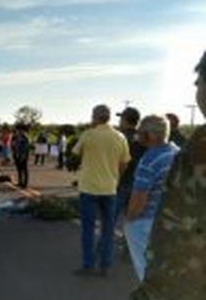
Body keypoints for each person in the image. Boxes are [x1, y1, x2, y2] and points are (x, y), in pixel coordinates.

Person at [100, 50, 206, 300]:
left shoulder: (194, 158)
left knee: (149, 270)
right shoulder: (176, 150)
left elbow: (179, 275)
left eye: (199, 79)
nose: (196, 87)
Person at [72, 104, 130, 276]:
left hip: (89, 188)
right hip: (110, 189)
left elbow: (76, 153)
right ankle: (105, 265)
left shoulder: (88, 135)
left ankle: (88, 264)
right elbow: (125, 163)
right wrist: (115, 176)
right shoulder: (120, 137)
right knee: (108, 228)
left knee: (88, 229)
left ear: (94, 117)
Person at [123, 115, 179, 280]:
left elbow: (139, 199)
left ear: (150, 135)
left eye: (141, 131)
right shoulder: (176, 152)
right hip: (169, 218)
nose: (138, 134)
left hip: (146, 221)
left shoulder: (149, 160)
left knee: (145, 269)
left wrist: (128, 218)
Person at [115, 106, 146, 224]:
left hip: (122, 181)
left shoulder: (120, 137)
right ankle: (128, 241)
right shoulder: (144, 137)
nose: (119, 121)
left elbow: (119, 161)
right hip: (138, 182)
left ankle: (106, 241)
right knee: (132, 218)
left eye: (121, 118)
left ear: (126, 120)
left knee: (111, 217)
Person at [11, 124, 30, 189]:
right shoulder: (17, 136)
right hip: (17, 155)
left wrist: (23, 156)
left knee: (24, 170)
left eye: (19, 129)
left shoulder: (25, 137)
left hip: (23, 155)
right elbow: (14, 145)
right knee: (19, 169)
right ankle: (20, 182)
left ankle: (25, 184)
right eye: (18, 130)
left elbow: (26, 148)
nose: (18, 131)